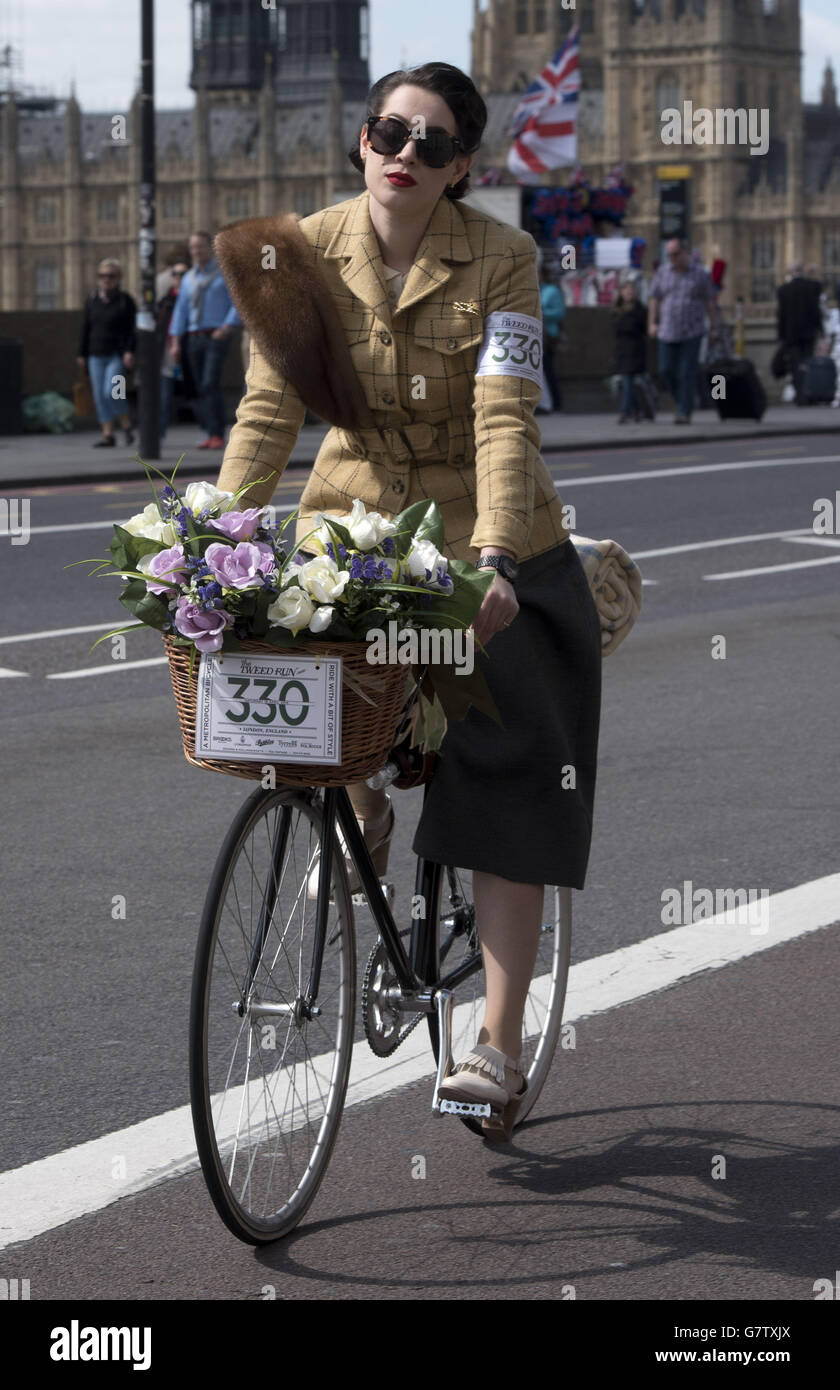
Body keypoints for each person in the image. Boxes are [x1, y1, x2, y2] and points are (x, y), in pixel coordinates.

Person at [212, 61, 602, 1136]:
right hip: (359, 531)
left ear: (463, 166)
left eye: (434, 143)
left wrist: (496, 561)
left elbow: (504, 416)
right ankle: (365, 810)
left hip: (486, 540)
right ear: (362, 141)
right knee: (321, 728)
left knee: (504, 785)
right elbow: (268, 409)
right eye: (392, 132)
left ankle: (497, 1041)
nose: (407, 154)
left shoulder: (506, 260)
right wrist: (214, 535)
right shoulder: (300, 254)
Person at [168, 230, 241, 449]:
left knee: (210, 383)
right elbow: (181, 311)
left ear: (210, 248)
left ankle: (218, 432)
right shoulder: (189, 278)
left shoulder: (224, 274)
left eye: (200, 246)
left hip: (215, 335)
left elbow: (237, 302)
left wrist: (227, 327)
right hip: (193, 337)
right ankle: (209, 432)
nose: (196, 251)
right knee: (200, 386)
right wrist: (175, 342)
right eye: (193, 248)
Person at [647, 237, 722, 423]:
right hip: (667, 330)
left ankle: (684, 411)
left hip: (692, 330)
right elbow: (654, 299)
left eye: (675, 254)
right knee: (665, 370)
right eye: (669, 254)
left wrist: (714, 327)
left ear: (685, 253)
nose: (671, 257)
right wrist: (652, 323)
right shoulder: (663, 273)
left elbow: (710, 302)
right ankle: (682, 400)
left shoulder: (699, 274)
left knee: (686, 372)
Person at [76, 258, 136, 448]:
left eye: (111, 276)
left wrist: (129, 352)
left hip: (116, 356)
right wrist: (81, 353)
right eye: (102, 276)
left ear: (119, 278)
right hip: (95, 355)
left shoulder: (125, 301)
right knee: (100, 397)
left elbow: (133, 330)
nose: (106, 280)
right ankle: (108, 434)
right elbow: (86, 327)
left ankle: (126, 425)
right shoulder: (92, 299)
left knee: (113, 392)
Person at [776, 262, 823, 405]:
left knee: (796, 365)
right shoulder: (812, 286)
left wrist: (781, 335)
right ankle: (809, 393)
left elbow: (781, 315)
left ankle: (800, 395)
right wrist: (820, 329)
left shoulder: (783, 290)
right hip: (809, 332)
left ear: (790, 273)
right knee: (808, 363)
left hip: (791, 335)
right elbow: (816, 310)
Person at [156, 254, 190, 438]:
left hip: (189, 347)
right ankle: (159, 431)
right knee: (165, 394)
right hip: (168, 351)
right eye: (175, 274)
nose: (178, 277)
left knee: (199, 390)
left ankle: (211, 431)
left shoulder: (193, 297)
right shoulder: (166, 299)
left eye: (183, 274)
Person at [612, 278, 649, 423]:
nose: (629, 292)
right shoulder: (617, 309)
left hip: (635, 350)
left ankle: (625, 411)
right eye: (626, 290)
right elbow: (616, 329)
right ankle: (638, 410)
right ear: (621, 293)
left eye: (631, 290)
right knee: (628, 382)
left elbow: (639, 328)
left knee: (628, 380)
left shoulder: (640, 308)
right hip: (622, 350)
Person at [538, 260, 565, 412]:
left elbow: (560, 313)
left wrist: (540, 313)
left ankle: (556, 404)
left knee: (548, 371)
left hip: (548, 337)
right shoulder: (528, 290)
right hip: (535, 334)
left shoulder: (551, 291)